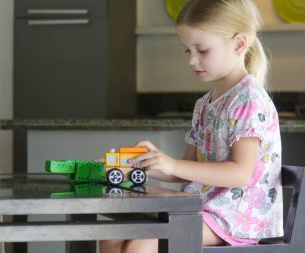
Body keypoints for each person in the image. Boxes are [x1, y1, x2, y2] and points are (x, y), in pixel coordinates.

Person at [100, 0, 283, 252]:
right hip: (201, 209)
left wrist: (173, 164)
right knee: (111, 236)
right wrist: (151, 163)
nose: (192, 60)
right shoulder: (206, 104)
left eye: (203, 50)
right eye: (188, 51)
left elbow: (239, 174)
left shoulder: (248, 100)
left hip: (236, 219)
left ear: (239, 44)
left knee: (141, 242)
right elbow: (185, 171)